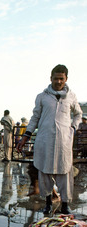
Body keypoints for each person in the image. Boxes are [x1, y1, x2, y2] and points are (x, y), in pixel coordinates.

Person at [17, 64, 82, 214]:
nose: (58, 82)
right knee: (44, 172)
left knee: (65, 172)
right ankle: (47, 203)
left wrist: (73, 127)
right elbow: (35, 117)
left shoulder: (71, 96)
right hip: (44, 140)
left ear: (66, 79)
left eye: (61, 79)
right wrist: (26, 135)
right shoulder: (42, 97)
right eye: (55, 78)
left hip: (64, 141)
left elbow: (78, 114)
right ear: (50, 78)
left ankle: (65, 205)